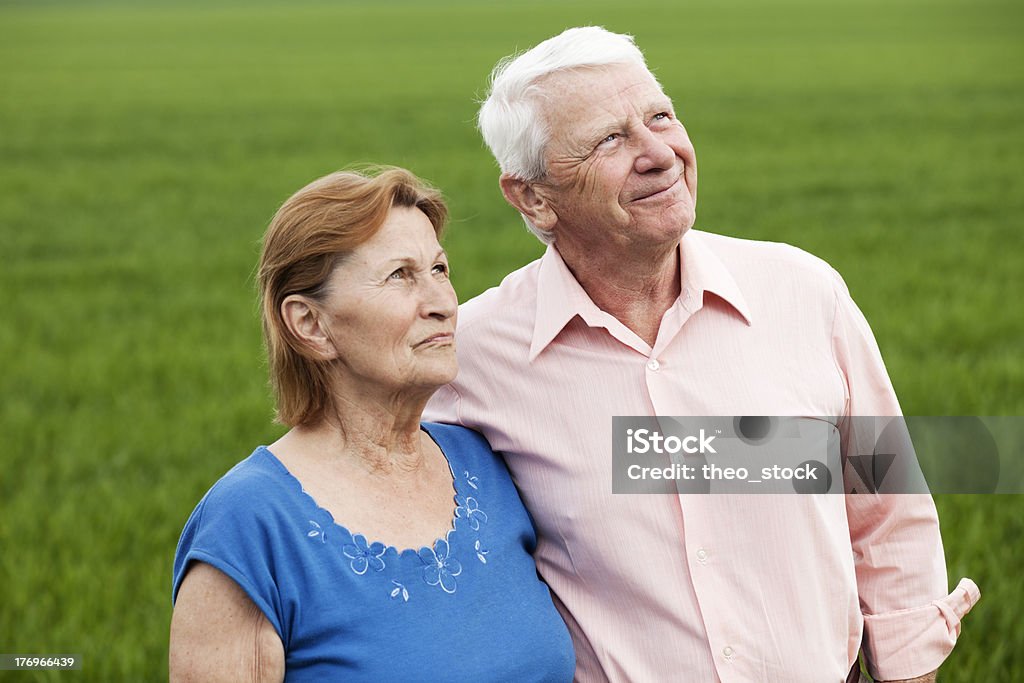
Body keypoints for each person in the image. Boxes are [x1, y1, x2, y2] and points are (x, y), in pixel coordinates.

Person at [424, 27, 979, 683]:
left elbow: (886, 506)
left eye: (660, 116)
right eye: (610, 139)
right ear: (533, 196)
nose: (660, 152)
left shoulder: (802, 293)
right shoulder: (473, 354)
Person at [169, 167, 574, 681]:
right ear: (310, 324)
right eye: (400, 275)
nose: (443, 304)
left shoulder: (485, 464)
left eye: (440, 270)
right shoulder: (249, 525)